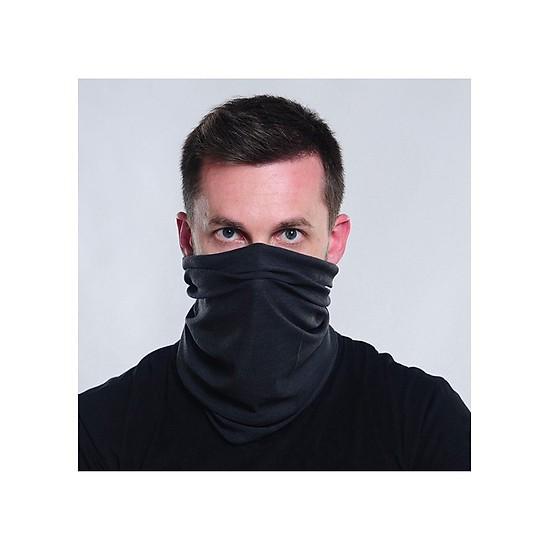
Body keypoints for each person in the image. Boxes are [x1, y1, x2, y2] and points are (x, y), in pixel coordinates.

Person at [78, 94, 471, 470]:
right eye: (229, 233)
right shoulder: (96, 432)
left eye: (290, 234)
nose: (260, 264)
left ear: (335, 241)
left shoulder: (424, 423)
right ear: (187, 238)